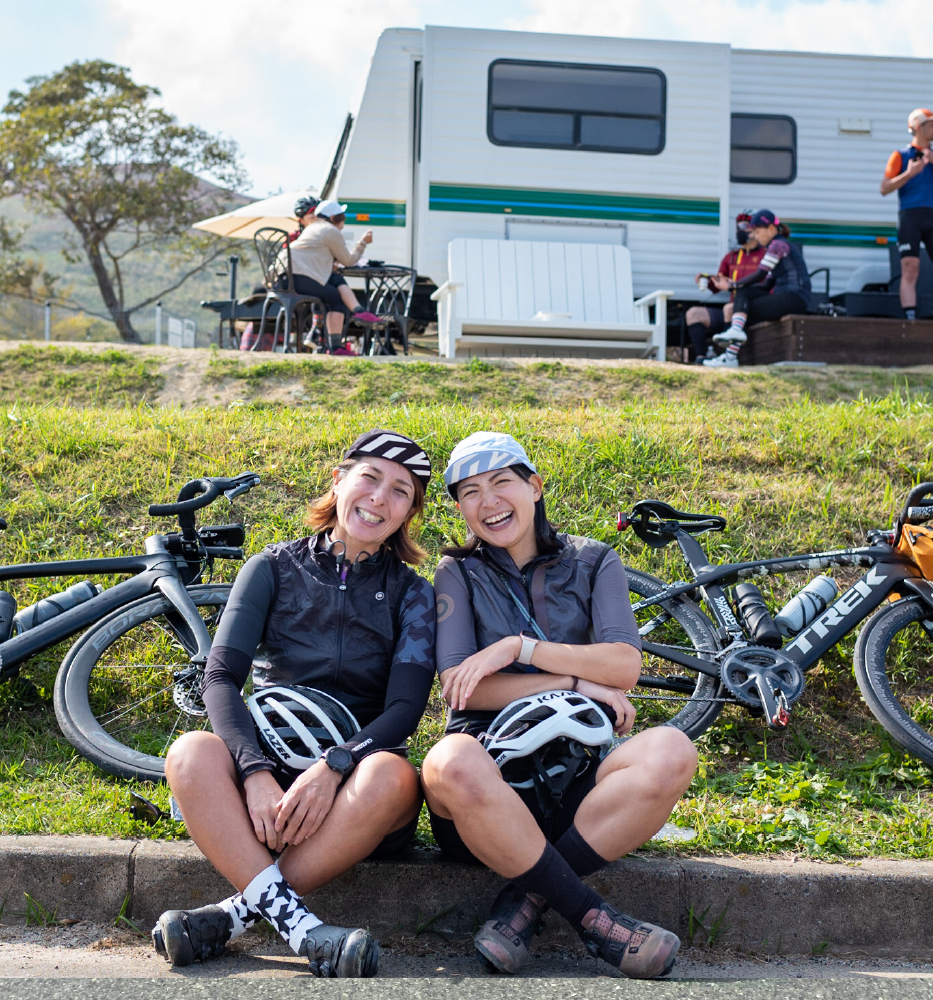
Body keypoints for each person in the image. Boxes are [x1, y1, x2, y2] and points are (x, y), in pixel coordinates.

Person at [151, 430, 436, 977]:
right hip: (272, 781)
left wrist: (335, 767)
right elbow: (219, 678)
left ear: (409, 512)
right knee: (190, 752)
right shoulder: (271, 567)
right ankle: (305, 933)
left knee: (394, 775)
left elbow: (405, 709)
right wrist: (255, 772)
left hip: (357, 786)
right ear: (339, 480)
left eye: (400, 491)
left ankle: (233, 917)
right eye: (370, 478)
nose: (379, 498)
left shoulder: (414, 593)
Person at [421, 432, 698, 979]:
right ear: (460, 508)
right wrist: (573, 680)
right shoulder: (457, 571)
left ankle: (525, 903)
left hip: (576, 781)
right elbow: (461, 687)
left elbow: (623, 666)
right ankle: (595, 920)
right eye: (471, 492)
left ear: (535, 486)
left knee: (671, 749)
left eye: (502, 482)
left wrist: (518, 650)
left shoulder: (595, 560)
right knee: (447, 761)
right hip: (484, 782)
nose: (489, 501)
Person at [704, 209, 811, 368]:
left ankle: (730, 353)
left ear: (771, 229)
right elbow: (766, 284)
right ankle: (731, 352)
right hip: (787, 297)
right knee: (743, 295)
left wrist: (732, 285)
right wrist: (737, 288)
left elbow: (760, 275)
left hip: (794, 298)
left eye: (758, 231)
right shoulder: (774, 247)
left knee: (740, 304)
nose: (755, 236)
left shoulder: (778, 245)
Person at [281, 199, 379, 348]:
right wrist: (363, 242)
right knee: (335, 298)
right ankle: (336, 347)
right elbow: (348, 260)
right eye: (341, 219)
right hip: (297, 277)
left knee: (334, 279)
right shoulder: (330, 230)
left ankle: (358, 310)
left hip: (283, 276)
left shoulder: (312, 228)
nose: (343, 224)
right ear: (334, 218)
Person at [684, 211, 766, 363]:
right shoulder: (732, 257)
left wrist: (734, 285)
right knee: (693, 313)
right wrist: (708, 281)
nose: (740, 230)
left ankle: (728, 358)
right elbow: (717, 287)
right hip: (730, 311)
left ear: (756, 230)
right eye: (738, 226)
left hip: (752, 310)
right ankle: (701, 359)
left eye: (745, 226)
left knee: (729, 308)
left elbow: (768, 285)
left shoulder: (765, 255)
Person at [881, 108, 933, 321]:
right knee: (910, 267)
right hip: (910, 216)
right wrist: (909, 174)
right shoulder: (901, 155)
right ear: (919, 127)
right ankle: (910, 318)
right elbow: (884, 188)